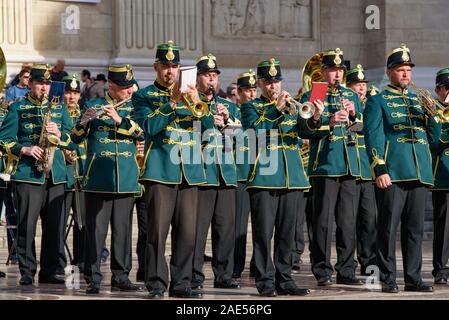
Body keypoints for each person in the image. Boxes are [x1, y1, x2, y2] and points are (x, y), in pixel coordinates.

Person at [241, 58, 324, 296]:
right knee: (263, 234)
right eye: (267, 82)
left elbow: (306, 131)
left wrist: (315, 116)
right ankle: (265, 281)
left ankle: (285, 279)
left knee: (288, 233)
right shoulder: (251, 107)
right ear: (259, 83)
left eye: (276, 81)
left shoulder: (292, 106)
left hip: (293, 177)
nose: (273, 86)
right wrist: (275, 109)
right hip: (264, 177)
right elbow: (253, 132)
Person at [364, 43, 439, 293]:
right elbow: (373, 136)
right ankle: (387, 278)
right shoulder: (379, 100)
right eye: (400, 69)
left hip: (419, 172)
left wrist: (434, 117)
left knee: (414, 230)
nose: (406, 74)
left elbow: (435, 138)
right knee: (387, 229)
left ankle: (413, 277)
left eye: (408, 69)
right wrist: (379, 168)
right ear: (389, 72)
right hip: (393, 173)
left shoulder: (420, 99)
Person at [133, 41, 205, 299]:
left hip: (189, 171)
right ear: (156, 67)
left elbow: (208, 128)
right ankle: (156, 283)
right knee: (156, 232)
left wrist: (197, 100)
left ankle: (182, 283)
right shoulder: (143, 96)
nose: (170, 71)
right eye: (165, 66)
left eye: (174, 66)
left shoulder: (191, 92)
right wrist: (171, 104)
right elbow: (148, 128)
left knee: (187, 232)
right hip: (160, 170)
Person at [72, 64, 143, 294]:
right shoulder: (93, 105)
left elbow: (142, 132)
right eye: (124, 87)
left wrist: (119, 119)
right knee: (95, 232)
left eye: (130, 86)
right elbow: (74, 138)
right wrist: (83, 123)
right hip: (98, 178)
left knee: (123, 231)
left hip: (125, 177)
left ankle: (121, 276)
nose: (129, 91)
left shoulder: (133, 108)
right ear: (111, 86)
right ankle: (93, 278)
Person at [0, 64, 74, 285]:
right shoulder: (18, 108)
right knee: (27, 225)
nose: (44, 87)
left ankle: (50, 270)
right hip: (28, 174)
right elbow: (4, 140)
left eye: (47, 84)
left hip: (56, 174)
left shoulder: (60, 109)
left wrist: (60, 134)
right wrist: (26, 149)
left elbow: (72, 138)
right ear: (30, 83)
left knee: (54, 227)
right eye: (40, 83)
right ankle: (27, 270)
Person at [300, 48, 365, 287]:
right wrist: (327, 120)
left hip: (349, 165)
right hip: (325, 166)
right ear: (324, 71)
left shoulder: (352, 95)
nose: (337, 75)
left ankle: (347, 270)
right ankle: (322, 270)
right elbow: (304, 129)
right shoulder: (314, 93)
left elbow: (363, 127)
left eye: (340, 71)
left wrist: (353, 113)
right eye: (333, 70)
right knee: (323, 222)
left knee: (348, 221)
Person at [191, 54, 240, 290]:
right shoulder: (191, 104)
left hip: (226, 173)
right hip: (203, 172)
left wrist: (229, 121)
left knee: (225, 228)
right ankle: (194, 275)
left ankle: (224, 275)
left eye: (214, 76)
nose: (212, 80)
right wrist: (210, 121)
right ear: (198, 78)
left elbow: (241, 140)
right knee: (198, 230)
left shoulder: (229, 106)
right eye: (207, 76)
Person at [346, 64, 377, 275]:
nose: (361, 88)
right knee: (348, 221)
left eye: (363, 84)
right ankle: (347, 265)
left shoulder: (372, 105)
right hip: (349, 168)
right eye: (357, 84)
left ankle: (368, 263)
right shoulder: (344, 103)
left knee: (369, 219)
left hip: (366, 169)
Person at [57, 74, 86, 274]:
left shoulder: (86, 115)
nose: (71, 96)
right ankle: (57, 263)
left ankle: (81, 261)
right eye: (68, 92)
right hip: (63, 175)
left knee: (82, 223)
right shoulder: (56, 115)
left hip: (82, 175)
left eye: (75, 92)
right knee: (58, 223)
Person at [232, 70, 257, 279]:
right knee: (238, 225)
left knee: (262, 226)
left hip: (258, 173)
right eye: (248, 91)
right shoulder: (231, 110)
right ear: (238, 92)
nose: (251, 94)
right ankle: (235, 266)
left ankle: (259, 265)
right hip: (239, 173)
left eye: (254, 90)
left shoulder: (260, 110)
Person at [429, 68, 449, 285]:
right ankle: (441, 270)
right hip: (443, 174)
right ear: (438, 89)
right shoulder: (432, 109)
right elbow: (434, 142)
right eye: (447, 87)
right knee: (444, 227)